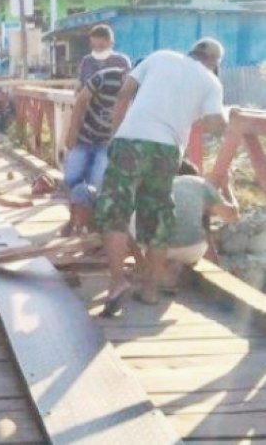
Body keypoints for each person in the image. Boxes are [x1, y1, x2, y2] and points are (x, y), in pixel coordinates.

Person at [94, 38, 228, 316]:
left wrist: (114, 134)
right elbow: (217, 126)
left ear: (192, 50)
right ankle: (151, 289)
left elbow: (124, 93)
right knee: (156, 217)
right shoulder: (211, 82)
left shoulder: (160, 56)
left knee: (114, 211)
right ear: (214, 63)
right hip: (166, 150)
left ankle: (118, 282)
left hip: (130, 140)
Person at [129, 160, 239, 294]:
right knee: (194, 224)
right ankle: (175, 265)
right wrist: (227, 187)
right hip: (192, 250)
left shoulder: (153, 182)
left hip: (151, 248)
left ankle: (151, 267)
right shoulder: (200, 184)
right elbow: (232, 216)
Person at [62, 65, 128, 236]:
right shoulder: (104, 78)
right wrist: (72, 132)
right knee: (71, 178)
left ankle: (90, 224)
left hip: (107, 142)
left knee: (97, 183)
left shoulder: (140, 92)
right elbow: (81, 101)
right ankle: (73, 219)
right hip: (84, 136)